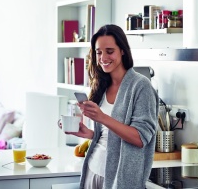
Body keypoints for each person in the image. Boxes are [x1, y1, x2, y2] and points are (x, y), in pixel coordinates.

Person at [67, 24, 158, 189]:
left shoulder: (141, 86)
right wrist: (90, 134)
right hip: (92, 170)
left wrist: (102, 117)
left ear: (122, 50)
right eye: (99, 52)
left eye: (109, 51)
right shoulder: (102, 84)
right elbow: (110, 136)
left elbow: (140, 138)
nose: (103, 58)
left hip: (119, 179)